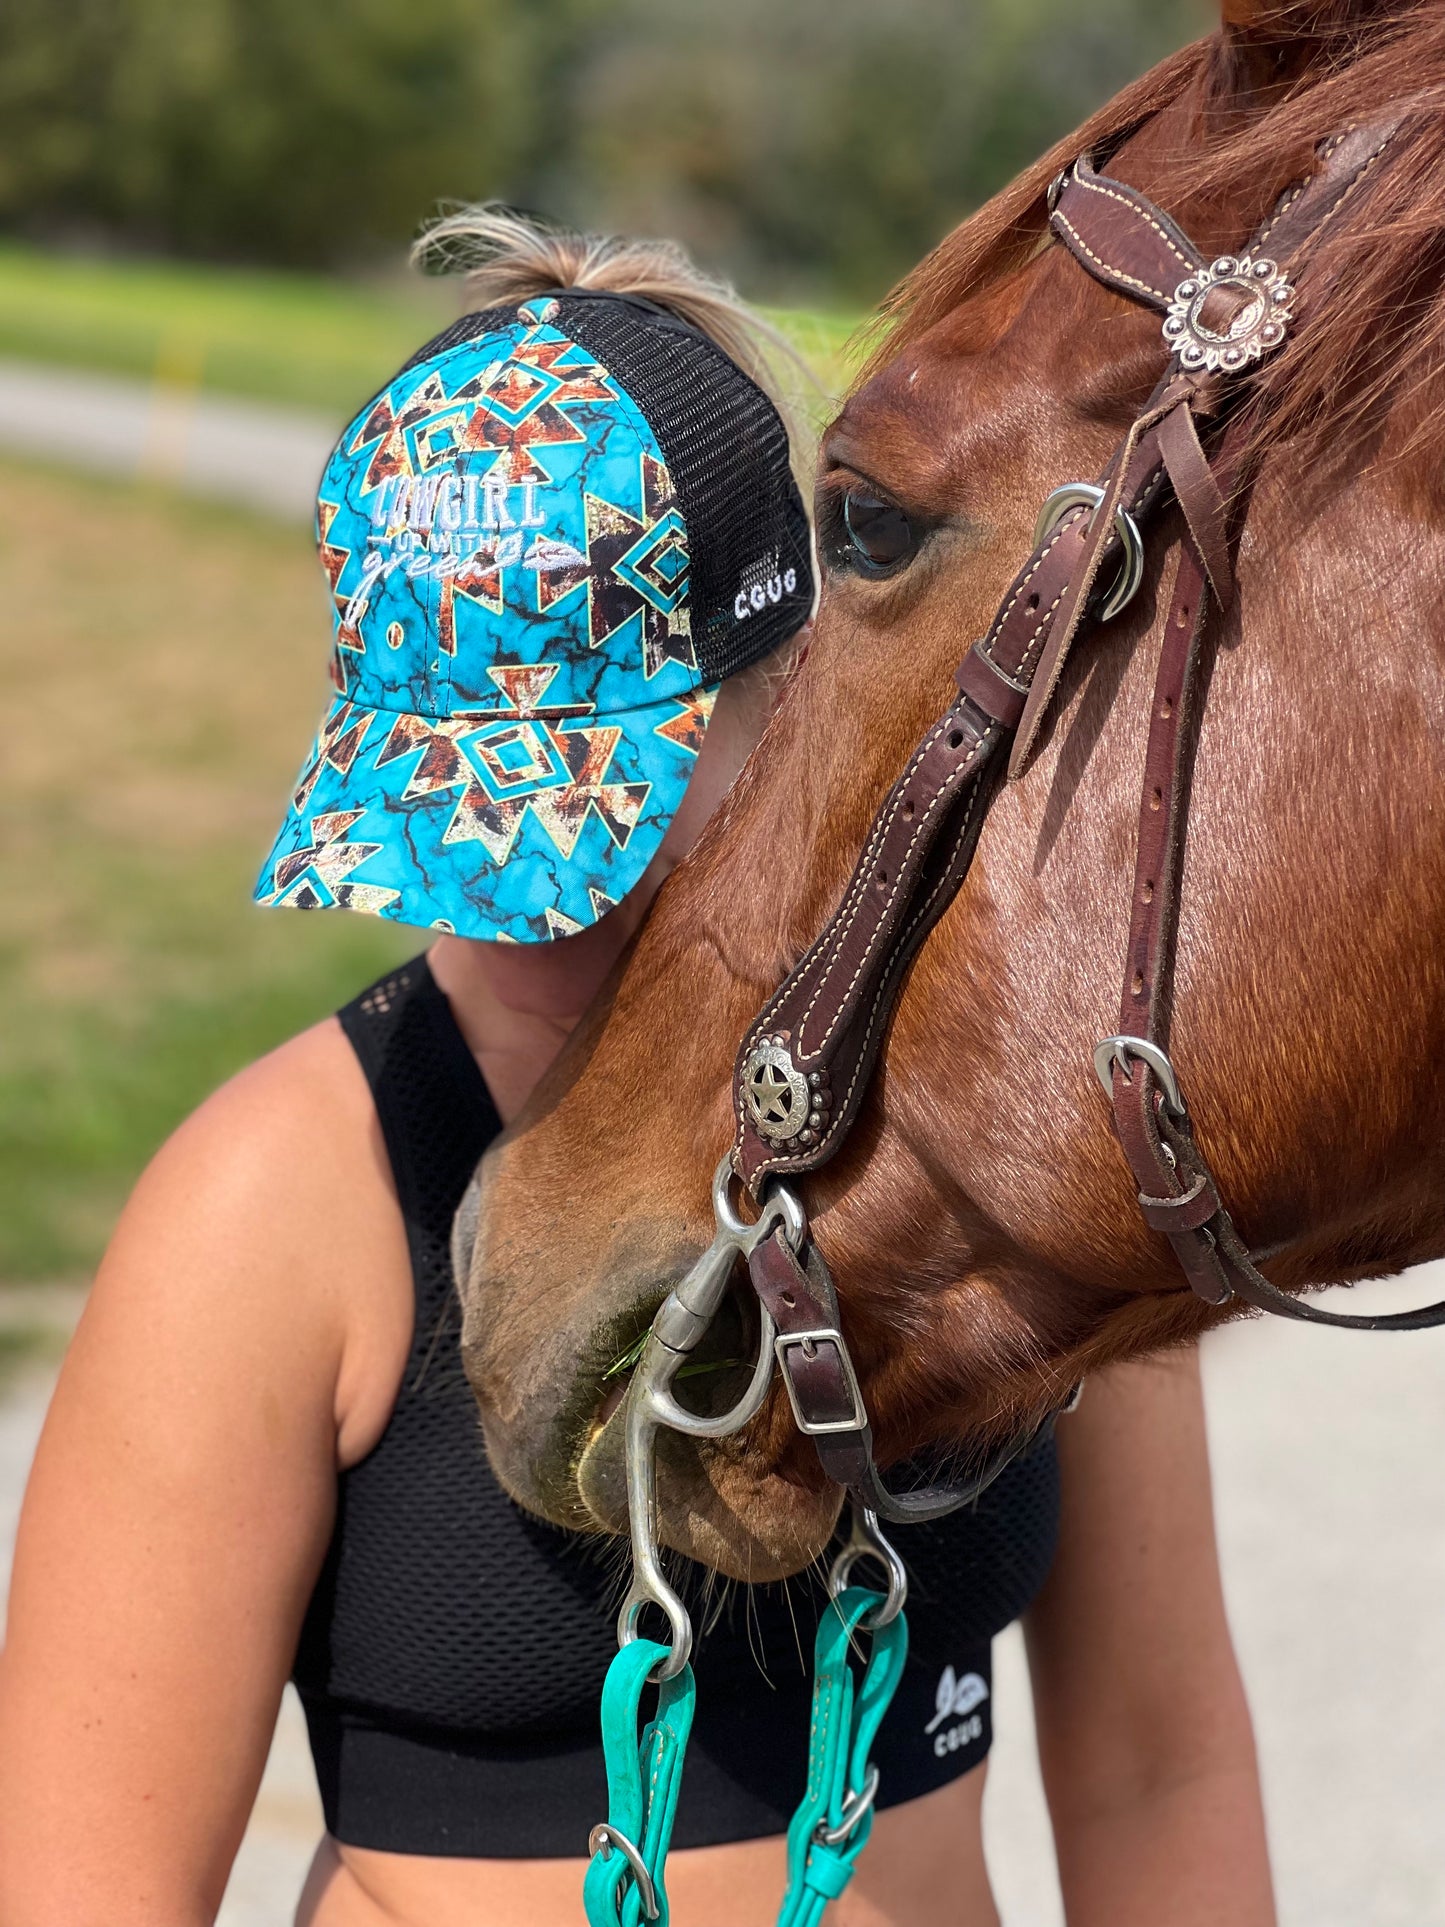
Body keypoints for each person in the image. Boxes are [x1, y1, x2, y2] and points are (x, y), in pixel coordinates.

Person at [0, 213, 1275, 1927]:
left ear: (799, 690)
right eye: (445, 830)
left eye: (587, 836)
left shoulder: (1022, 1142)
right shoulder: (276, 1208)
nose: (516, 934)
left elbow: (1156, 1766)